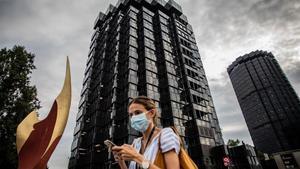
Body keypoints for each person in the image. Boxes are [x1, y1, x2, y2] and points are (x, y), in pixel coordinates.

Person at [112, 96, 181, 169]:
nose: (133, 118)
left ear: (151, 113)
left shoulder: (166, 135)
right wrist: (121, 161)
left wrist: (136, 157)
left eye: (138, 112)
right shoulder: (136, 143)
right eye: (131, 115)